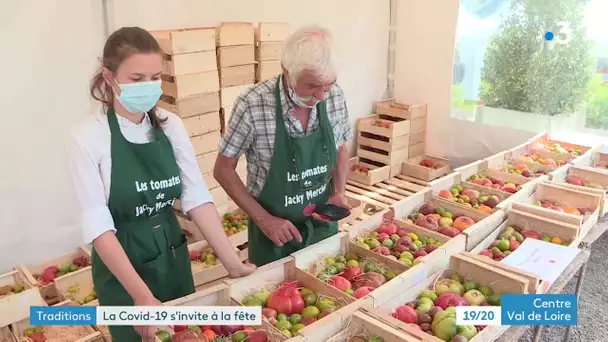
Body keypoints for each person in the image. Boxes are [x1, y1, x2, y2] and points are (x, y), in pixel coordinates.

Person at [67, 27, 256, 341]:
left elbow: (196, 197)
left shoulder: (171, 126)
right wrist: (141, 296)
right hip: (122, 259)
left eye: (155, 77)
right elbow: (98, 227)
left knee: (184, 335)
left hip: (171, 250)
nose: (148, 87)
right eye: (137, 79)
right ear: (108, 75)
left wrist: (232, 263)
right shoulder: (87, 138)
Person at [214, 25, 353, 267]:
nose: (321, 95)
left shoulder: (335, 96)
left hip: (321, 226)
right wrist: (264, 220)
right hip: (273, 237)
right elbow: (223, 169)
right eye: (311, 86)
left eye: (327, 84)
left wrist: (339, 192)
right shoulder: (254, 104)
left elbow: (341, 148)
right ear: (287, 72)